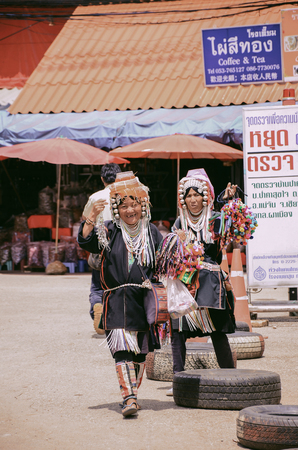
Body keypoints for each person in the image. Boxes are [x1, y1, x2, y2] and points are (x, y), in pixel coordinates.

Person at [77, 171, 163, 417]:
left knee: (140, 353)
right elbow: (87, 243)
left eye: (134, 204)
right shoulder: (109, 230)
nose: (129, 210)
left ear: (142, 205)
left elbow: (165, 260)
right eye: (123, 205)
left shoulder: (152, 232)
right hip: (116, 300)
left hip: (144, 300)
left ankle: (132, 393)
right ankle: (129, 397)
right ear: (116, 209)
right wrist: (91, 219)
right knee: (122, 349)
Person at [156, 169, 237, 396]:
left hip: (210, 283)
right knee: (178, 331)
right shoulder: (179, 223)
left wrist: (230, 201)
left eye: (197, 194)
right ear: (184, 199)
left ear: (206, 197)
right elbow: (170, 254)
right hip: (186, 284)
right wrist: (176, 241)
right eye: (189, 195)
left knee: (216, 331)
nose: (193, 199)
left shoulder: (214, 219)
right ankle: (178, 380)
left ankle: (232, 379)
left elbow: (233, 226)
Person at [82, 163, 121, 329]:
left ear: (102, 179)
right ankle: (115, 316)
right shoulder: (126, 195)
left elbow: (86, 218)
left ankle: (97, 305)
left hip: (100, 248)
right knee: (118, 285)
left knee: (98, 285)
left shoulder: (95, 197)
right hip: (121, 248)